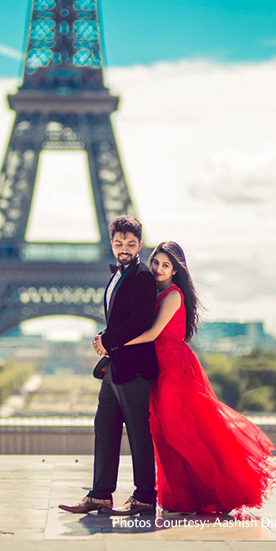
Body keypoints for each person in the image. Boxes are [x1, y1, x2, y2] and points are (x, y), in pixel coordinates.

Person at [119, 241, 276, 513]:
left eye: (165, 265)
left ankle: (221, 487)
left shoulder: (172, 295)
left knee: (181, 433)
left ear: (175, 270)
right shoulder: (154, 293)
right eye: (155, 262)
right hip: (158, 371)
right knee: (165, 435)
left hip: (174, 372)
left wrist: (115, 345)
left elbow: (153, 334)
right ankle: (185, 496)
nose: (158, 269)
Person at [59, 215, 158, 516]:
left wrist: (107, 338)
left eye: (130, 243)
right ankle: (100, 495)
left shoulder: (142, 276)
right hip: (116, 365)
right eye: (118, 243)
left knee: (138, 432)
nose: (124, 248)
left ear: (139, 245)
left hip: (134, 367)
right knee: (105, 426)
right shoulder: (117, 273)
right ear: (112, 244)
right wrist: (107, 341)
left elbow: (141, 321)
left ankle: (144, 497)